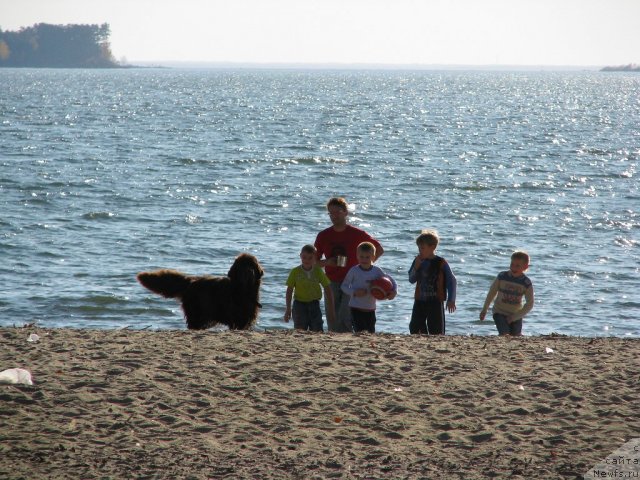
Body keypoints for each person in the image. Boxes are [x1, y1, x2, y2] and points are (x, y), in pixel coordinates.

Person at [314, 197, 384, 333]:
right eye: (331, 213)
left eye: (337, 212)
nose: (334, 216)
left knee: (345, 316)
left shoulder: (357, 234)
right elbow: (314, 262)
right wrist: (328, 262)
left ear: (346, 212)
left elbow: (379, 250)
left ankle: (345, 341)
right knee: (332, 317)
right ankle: (334, 343)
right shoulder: (324, 235)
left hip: (352, 280)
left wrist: (365, 267)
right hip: (331, 280)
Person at [408, 230, 457, 335]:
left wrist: (451, 299)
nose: (420, 251)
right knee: (415, 326)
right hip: (420, 300)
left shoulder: (441, 262)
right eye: (419, 248)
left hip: (435, 300)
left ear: (432, 247)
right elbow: (411, 279)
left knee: (436, 329)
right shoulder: (418, 261)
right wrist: (416, 267)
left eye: (422, 248)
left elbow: (451, 281)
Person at [341, 242, 397, 333]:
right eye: (361, 256)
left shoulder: (377, 271)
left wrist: (394, 291)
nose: (364, 259)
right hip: (356, 307)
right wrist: (354, 292)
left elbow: (390, 280)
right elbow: (344, 286)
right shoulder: (354, 270)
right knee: (360, 331)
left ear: (373, 257)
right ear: (357, 256)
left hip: (371, 308)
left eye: (367, 257)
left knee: (371, 332)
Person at [480, 251, 534, 336]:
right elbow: (492, 293)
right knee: (504, 333)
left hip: (516, 314)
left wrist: (515, 317)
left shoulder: (526, 282)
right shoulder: (502, 276)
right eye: (512, 264)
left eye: (517, 266)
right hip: (499, 311)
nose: (514, 268)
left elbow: (530, 304)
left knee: (516, 335)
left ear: (525, 267)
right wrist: (484, 309)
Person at [284, 244, 336, 332]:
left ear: (315, 257)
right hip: (299, 304)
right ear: (300, 256)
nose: (307, 260)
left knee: (317, 328)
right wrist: (288, 308)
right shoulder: (295, 271)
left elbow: (327, 288)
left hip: (314, 304)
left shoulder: (318, 271)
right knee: (299, 329)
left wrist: (331, 308)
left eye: (310, 258)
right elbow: (289, 290)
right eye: (304, 257)